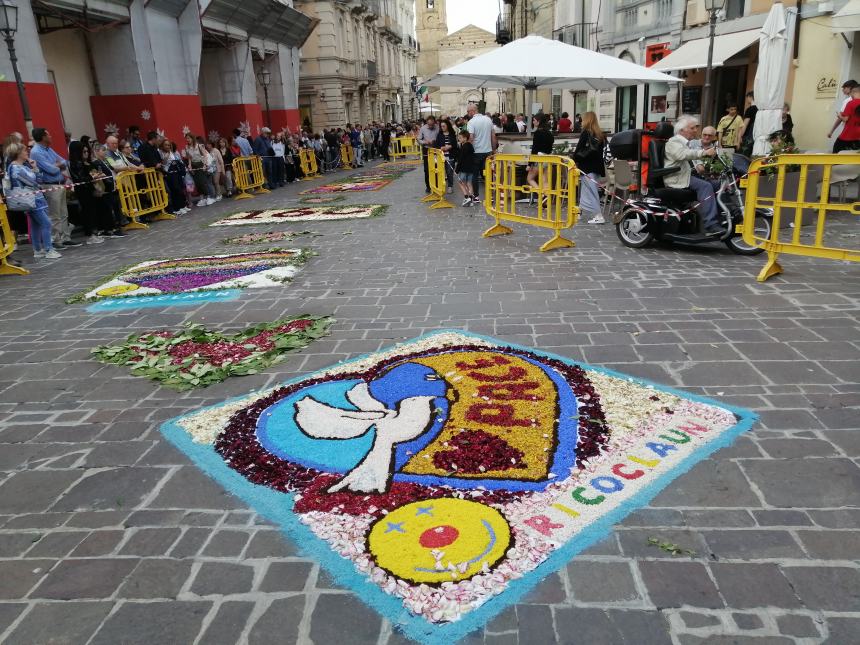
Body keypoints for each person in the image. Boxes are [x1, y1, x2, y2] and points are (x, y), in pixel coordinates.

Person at [664, 115, 720, 234]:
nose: (696, 130)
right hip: (677, 178)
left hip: (686, 175)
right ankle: (711, 224)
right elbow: (683, 155)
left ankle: (723, 219)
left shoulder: (686, 143)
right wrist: (704, 153)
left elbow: (691, 158)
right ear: (682, 130)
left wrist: (701, 166)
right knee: (705, 186)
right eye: (693, 128)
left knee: (717, 185)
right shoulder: (673, 142)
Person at [6, 142, 62, 259]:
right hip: (32, 200)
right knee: (46, 223)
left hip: (36, 199)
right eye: (24, 150)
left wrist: (35, 168)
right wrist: (35, 173)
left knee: (36, 225)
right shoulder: (15, 168)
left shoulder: (24, 166)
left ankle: (37, 249)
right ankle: (49, 249)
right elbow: (33, 182)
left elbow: (39, 180)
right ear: (18, 153)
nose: (27, 152)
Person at [29, 127, 78, 247]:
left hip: (60, 183)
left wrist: (57, 165)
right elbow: (50, 169)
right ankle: (57, 240)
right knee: (55, 214)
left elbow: (64, 161)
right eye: (48, 134)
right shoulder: (36, 152)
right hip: (50, 185)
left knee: (63, 213)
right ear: (43, 137)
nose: (51, 136)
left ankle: (66, 237)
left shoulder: (48, 149)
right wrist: (57, 166)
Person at [68, 141, 105, 245]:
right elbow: (81, 179)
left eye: (86, 151)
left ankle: (94, 233)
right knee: (88, 212)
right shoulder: (76, 163)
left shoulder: (79, 162)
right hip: (83, 190)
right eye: (83, 151)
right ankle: (90, 234)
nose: (86, 153)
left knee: (92, 211)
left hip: (87, 189)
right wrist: (93, 177)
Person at [572, 112, 607, 224]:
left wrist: (574, 159)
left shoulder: (586, 133)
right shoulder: (600, 135)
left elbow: (578, 150)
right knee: (586, 190)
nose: (581, 122)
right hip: (597, 167)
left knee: (591, 191)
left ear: (586, 120)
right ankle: (579, 212)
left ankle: (598, 215)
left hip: (586, 167)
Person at [91, 143, 127, 237]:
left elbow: (112, 170)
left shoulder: (105, 161)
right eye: (103, 150)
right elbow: (99, 175)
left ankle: (117, 227)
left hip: (112, 186)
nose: (105, 152)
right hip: (105, 189)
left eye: (105, 150)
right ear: (97, 151)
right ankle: (111, 229)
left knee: (115, 208)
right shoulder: (96, 163)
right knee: (108, 210)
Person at [466, 103, 496, 202]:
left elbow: (471, 137)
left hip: (476, 152)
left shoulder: (471, 122)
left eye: (468, 111)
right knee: (487, 174)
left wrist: (467, 150)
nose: (467, 113)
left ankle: (476, 196)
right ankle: (491, 196)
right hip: (487, 151)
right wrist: (494, 149)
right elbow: (493, 136)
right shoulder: (488, 119)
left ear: (472, 111)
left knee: (475, 175)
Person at [526, 113, 554, 200]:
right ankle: (546, 200)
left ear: (539, 121)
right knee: (545, 180)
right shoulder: (549, 133)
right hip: (548, 158)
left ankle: (541, 194)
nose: (533, 122)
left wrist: (529, 164)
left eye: (534, 120)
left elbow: (534, 149)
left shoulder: (538, 133)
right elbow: (550, 147)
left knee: (530, 178)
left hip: (538, 158)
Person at [183, 133, 216, 206]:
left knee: (202, 181)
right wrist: (190, 165)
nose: (187, 140)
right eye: (186, 138)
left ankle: (209, 197)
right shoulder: (187, 147)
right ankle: (202, 198)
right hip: (194, 166)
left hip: (200, 164)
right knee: (197, 182)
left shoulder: (199, 146)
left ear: (192, 138)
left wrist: (205, 165)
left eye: (189, 138)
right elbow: (189, 158)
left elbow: (204, 155)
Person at [160, 139, 188, 215]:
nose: (167, 146)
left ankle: (182, 206)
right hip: (169, 174)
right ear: (163, 146)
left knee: (180, 189)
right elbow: (163, 164)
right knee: (175, 190)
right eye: (166, 145)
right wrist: (167, 156)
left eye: (169, 145)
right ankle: (177, 208)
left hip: (176, 173)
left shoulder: (172, 153)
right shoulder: (161, 153)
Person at [827, 80, 857, 149]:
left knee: (837, 149)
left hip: (849, 132)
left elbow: (842, 118)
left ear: (850, 88)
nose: (842, 90)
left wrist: (831, 131)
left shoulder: (848, 101)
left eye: (844, 88)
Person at [435, 118, 458, 194]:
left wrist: (450, 146)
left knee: (449, 172)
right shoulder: (439, 135)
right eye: (441, 126)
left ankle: (450, 186)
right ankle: (440, 186)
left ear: (447, 126)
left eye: (444, 126)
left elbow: (455, 144)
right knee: (441, 172)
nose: (442, 128)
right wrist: (441, 148)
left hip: (450, 156)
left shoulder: (452, 134)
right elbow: (437, 145)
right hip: (441, 157)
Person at [418, 116, 440, 193]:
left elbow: (440, 138)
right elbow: (419, 139)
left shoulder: (437, 128)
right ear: (427, 122)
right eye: (429, 125)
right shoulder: (423, 128)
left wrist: (435, 141)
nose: (430, 126)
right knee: (426, 169)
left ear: (434, 122)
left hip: (436, 150)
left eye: (432, 125)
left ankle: (437, 184)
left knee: (436, 167)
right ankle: (428, 186)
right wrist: (425, 142)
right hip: (426, 149)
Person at [454, 130, 476, 207]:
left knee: (460, 182)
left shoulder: (463, 147)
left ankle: (466, 197)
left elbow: (460, 159)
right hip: (471, 168)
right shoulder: (470, 146)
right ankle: (471, 199)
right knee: (469, 183)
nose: (459, 139)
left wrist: (456, 170)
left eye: (460, 138)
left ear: (465, 138)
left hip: (463, 168)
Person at [835, 84, 860, 151]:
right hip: (858, 138)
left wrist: (839, 115)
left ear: (852, 92)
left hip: (847, 136)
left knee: (836, 154)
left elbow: (845, 119)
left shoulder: (850, 103)